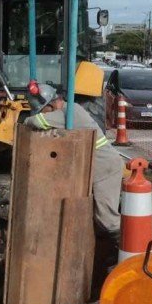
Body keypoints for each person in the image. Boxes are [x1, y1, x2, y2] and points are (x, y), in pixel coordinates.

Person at [23, 83, 122, 241]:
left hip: (105, 168)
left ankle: (133, 252)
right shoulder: (65, 111)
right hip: (98, 166)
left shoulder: (69, 112)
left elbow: (35, 121)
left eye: (43, 110)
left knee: (107, 220)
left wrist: (26, 120)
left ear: (52, 104)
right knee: (99, 217)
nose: (43, 114)